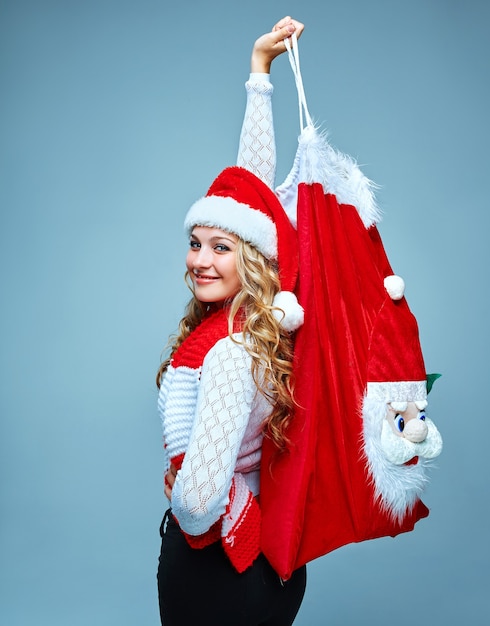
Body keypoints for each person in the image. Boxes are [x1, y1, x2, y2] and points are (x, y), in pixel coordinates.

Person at [156, 17, 307, 626]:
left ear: (252, 258)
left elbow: (197, 505)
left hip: (218, 573)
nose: (200, 259)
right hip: (269, 565)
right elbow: (251, 194)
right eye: (196, 243)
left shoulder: (226, 352)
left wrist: (177, 487)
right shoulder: (259, 326)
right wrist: (259, 75)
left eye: (222, 247)